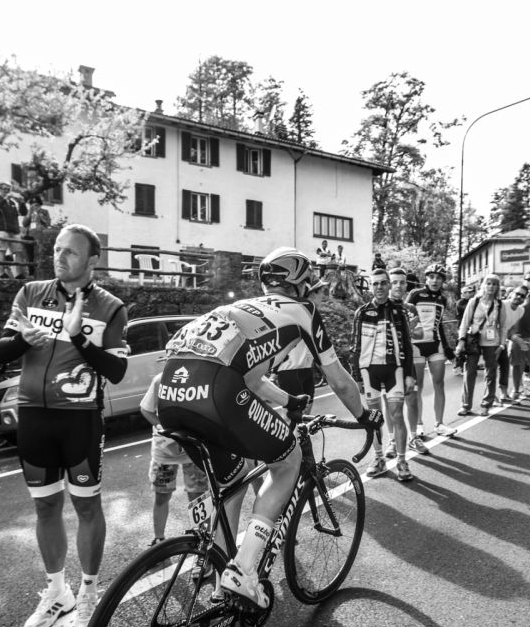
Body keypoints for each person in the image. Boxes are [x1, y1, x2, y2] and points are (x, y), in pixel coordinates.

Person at [156, 248, 380, 608]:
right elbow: (338, 380)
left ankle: (222, 583)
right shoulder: (302, 310)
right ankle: (244, 570)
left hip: (170, 394)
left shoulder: (242, 307)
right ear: (301, 284)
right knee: (288, 461)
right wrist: (365, 416)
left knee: (233, 480)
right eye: (310, 283)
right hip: (216, 390)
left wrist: (289, 400)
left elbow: (252, 379)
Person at [0, 224, 128, 627]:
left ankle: (88, 592)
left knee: (87, 508)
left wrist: (78, 338)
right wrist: (22, 341)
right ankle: (57, 591)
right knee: (46, 508)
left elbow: (117, 370)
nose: (60, 257)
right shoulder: (30, 293)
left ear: (92, 260)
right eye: (57, 249)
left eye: (70, 252)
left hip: (79, 419)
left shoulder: (110, 307)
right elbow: (0, 352)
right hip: (33, 416)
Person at [353, 269, 417, 481]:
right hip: (369, 371)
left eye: (383, 283)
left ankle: (402, 461)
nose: (379, 287)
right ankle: (379, 458)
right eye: (375, 284)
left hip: (394, 370)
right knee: (374, 419)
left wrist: (410, 374)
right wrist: (357, 377)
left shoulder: (399, 311)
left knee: (397, 414)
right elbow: (355, 345)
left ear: (389, 285)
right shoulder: (362, 312)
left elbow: (407, 345)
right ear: (371, 287)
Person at [140, 373, 210, 546]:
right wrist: (164, 427)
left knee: (198, 496)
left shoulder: (198, 377)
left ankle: (203, 538)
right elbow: (146, 409)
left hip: (193, 449)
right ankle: (159, 539)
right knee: (162, 496)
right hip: (164, 451)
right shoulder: (160, 380)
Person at [457, 274, 522, 416]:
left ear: (498, 287)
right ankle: (466, 405)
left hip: (492, 341)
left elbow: (503, 327)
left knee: (491, 372)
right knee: (470, 372)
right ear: (484, 285)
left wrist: (502, 345)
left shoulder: (499, 304)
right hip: (474, 340)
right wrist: (461, 341)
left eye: (494, 284)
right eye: (489, 283)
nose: (491, 286)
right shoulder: (474, 301)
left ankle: (486, 404)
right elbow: (465, 322)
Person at [405, 264, 458, 438]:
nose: (435, 280)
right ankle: (419, 424)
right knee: (418, 387)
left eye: (439, 277)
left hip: (435, 345)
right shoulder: (416, 294)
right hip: (416, 345)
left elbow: (440, 325)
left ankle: (439, 424)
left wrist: (448, 350)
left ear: (443, 280)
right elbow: (405, 317)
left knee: (439, 384)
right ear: (426, 278)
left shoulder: (442, 299)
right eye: (431, 277)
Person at [386, 267, 426, 458]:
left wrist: (408, 329)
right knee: (390, 404)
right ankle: (392, 441)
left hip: (408, 360)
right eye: (394, 282)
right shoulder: (381, 307)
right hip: (386, 362)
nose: (399, 286)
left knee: (412, 399)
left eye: (402, 282)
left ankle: (413, 437)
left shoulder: (410, 308)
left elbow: (420, 333)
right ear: (388, 284)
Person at [272, 280, 329, 400]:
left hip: (306, 369)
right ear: (312, 293)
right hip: (289, 370)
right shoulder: (295, 312)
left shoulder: (311, 314)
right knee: (295, 411)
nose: (323, 296)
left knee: (308, 408)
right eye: (322, 292)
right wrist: (274, 372)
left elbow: (315, 347)